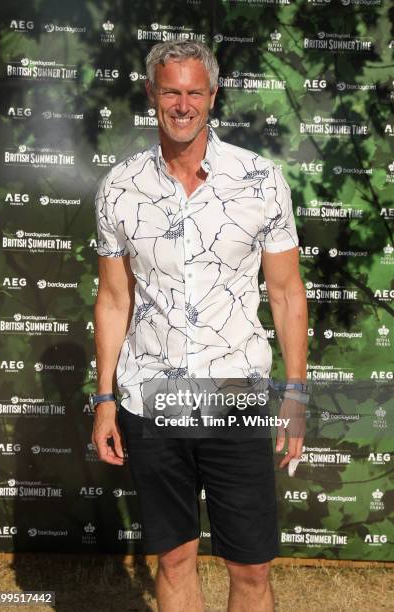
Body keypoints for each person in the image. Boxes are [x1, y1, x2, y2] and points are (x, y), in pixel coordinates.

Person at [91, 41, 308, 612]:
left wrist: (296, 391)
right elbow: (114, 300)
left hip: (234, 394)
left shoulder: (260, 181)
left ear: (212, 96)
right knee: (175, 558)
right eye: (170, 91)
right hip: (150, 398)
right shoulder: (119, 187)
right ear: (152, 95)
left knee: (252, 568)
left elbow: (286, 294)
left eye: (194, 91)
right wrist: (106, 398)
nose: (182, 104)